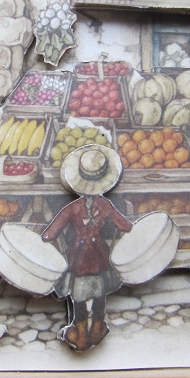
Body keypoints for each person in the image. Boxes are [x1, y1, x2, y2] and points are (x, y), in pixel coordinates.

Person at [43, 144, 132, 351]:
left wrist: (46, 241)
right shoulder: (106, 205)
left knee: (79, 298)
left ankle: (81, 332)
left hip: (79, 259)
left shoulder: (73, 207)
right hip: (99, 258)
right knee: (100, 294)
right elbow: (125, 225)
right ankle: (98, 327)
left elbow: (50, 233)